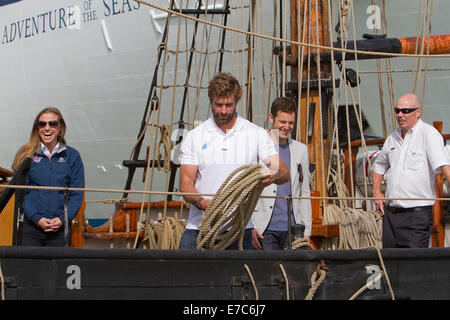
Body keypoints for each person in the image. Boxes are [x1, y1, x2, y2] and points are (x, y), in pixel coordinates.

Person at [178, 72, 290, 250]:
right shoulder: (195, 136)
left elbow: (284, 172)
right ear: (211, 101)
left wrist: (272, 176)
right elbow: (185, 183)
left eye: (228, 105)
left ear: (237, 101)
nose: (223, 110)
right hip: (199, 229)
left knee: (237, 278)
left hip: (239, 231)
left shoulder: (255, 134)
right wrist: (203, 203)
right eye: (218, 105)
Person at [372, 93, 450, 248]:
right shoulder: (392, 138)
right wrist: (376, 192)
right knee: (391, 266)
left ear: (418, 112)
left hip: (416, 216)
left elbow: (444, 165)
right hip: (390, 216)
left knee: (412, 266)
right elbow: (379, 165)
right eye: (397, 110)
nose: (400, 115)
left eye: (406, 111)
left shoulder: (429, 134)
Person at [12, 107, 85, 247]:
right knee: (30, 268)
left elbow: (76, 193)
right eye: (42, 124)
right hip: (31, 228)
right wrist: (37, 218)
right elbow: (21, 193)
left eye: (52, 123)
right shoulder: (25, 154)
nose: (47, 128)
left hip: (60, 229)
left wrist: (64, 219)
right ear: (37, 128)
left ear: (60, 128)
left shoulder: (72, 156)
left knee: (56, 269)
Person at [252, 97, 312, 250]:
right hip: (264, 228)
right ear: (271, 118)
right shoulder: (256, 146)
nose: (286, 127)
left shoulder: (301, 150)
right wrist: (250, 226)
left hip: (293, 228)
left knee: (294, 273)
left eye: (290, 123)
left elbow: (304, 190)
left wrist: (307, 230)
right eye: (282, 122)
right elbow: (247, 190)